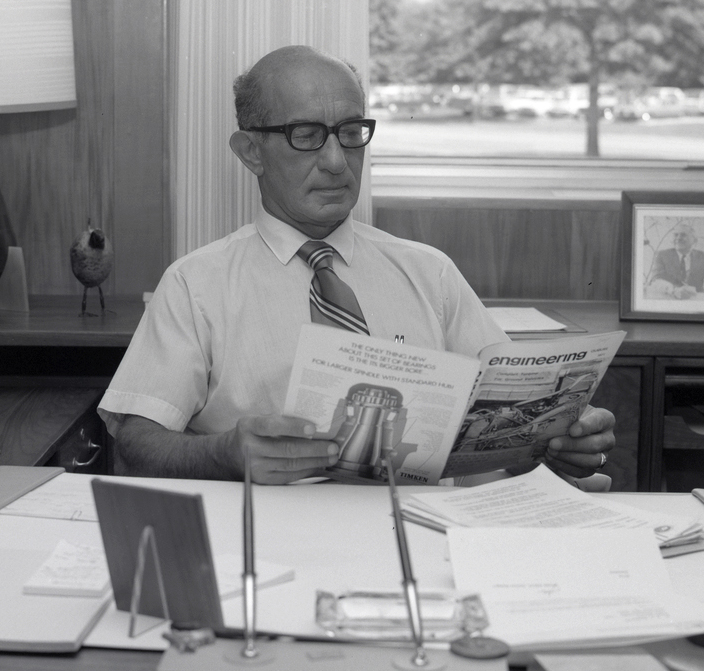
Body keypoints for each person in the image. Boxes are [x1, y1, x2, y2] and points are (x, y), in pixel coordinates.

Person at [99, 45, 616, 487]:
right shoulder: (197, 284)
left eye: (350, 132)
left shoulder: (429, 273)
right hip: (275, 540)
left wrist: (559, 438)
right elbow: (136, 443)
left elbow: (508, 413)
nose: (336, 161)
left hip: (422, 534)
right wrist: (224, 454)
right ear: (251, 152)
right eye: (306, 134)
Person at [645, 223, 704, 299]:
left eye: (683, 235)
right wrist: (674, 290)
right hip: (669, 298)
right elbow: (656, 278)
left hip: (695, 299)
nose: (678, 238)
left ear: (694, 240)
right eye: (676, 235)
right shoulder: (662, 255)